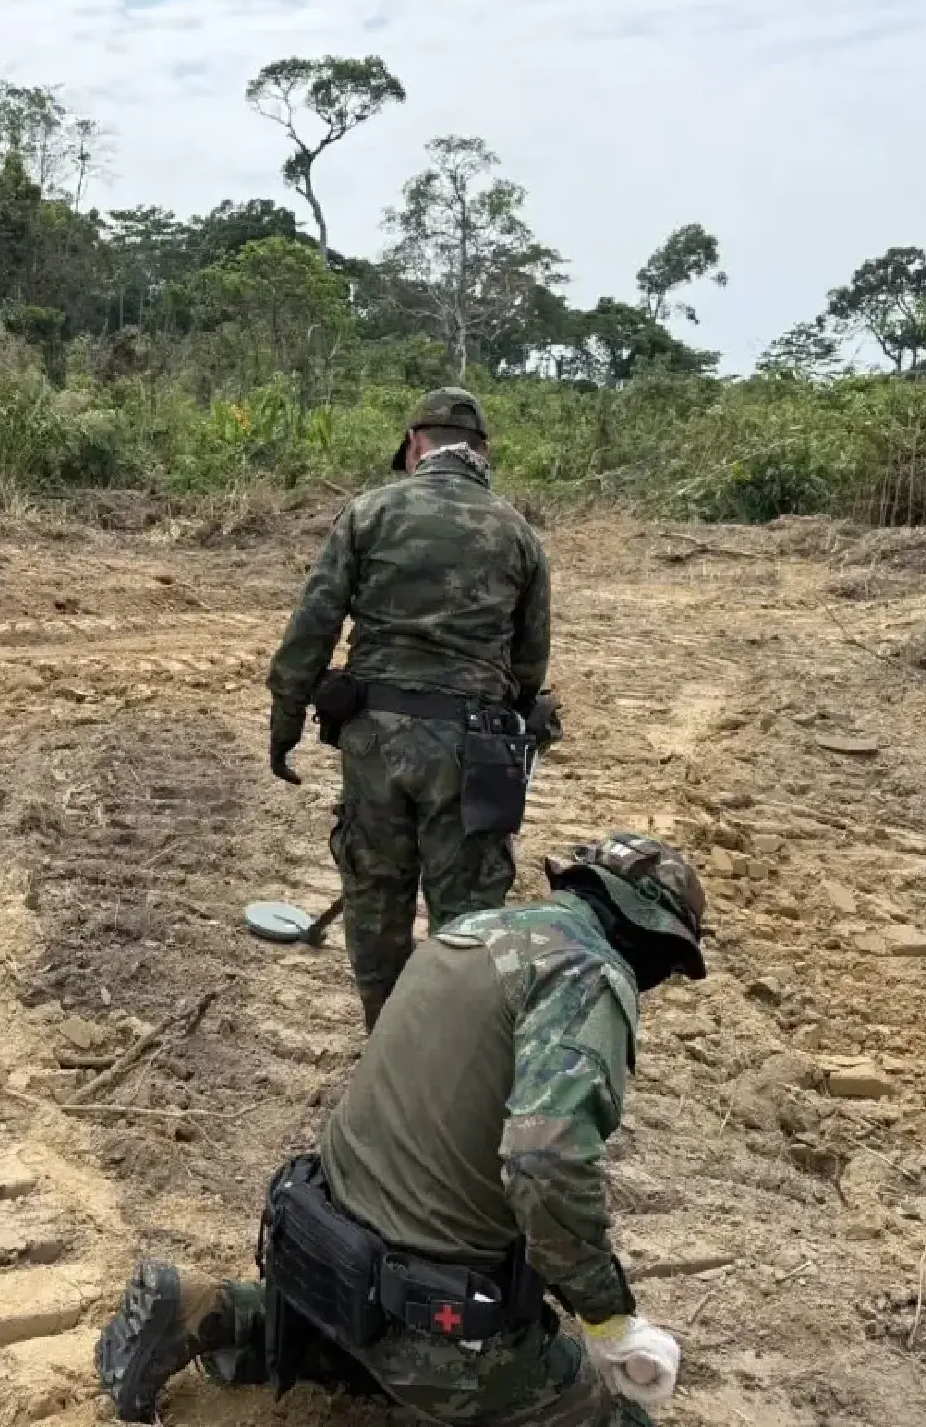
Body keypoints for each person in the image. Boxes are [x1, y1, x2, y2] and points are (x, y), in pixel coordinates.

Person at [95, 833, 708, 1427]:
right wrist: (609, 1318)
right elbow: (545, 1163)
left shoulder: (473, 931)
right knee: (599, 1413)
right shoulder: (587, 974)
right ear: (650, 932)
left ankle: (209, 1309)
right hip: (422, 1315)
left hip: (312, 1244)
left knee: (356, 1340)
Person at [266, 387, 553, 1028]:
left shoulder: (369, 513)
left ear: (415, 445)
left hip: (375, 741)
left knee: (375, 892)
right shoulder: (518, 533)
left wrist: (286, 720)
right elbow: (531, 662)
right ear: (483, 452)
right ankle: (444, 1054)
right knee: (467, 911)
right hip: (474, 751)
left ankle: (383, 1031)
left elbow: (313, 625)